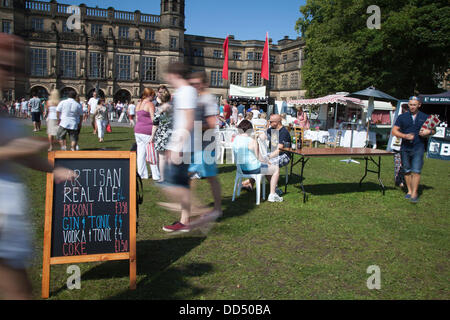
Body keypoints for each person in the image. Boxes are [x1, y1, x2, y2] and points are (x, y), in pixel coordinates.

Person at [0, 32, 76, 300]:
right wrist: (27, 146)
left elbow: (17, 153)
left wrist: (54, 170)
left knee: (20, 291)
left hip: (6, 216)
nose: (10, 74)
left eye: (14, 67)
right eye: (5, 67)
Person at [159, 62, 197, 233]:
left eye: (168, 75)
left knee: (177, 184)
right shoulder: (183, 92)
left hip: (184, 146)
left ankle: (188, 217)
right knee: (181, 183)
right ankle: (185, 220)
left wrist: (178, 146)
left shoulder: (187, 91)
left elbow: (189, 120)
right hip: (181, 144)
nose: (167, 79)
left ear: (175, 75)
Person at [188, 71, 222, 217]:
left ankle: (217, 209)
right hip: (197, 144)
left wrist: (192, 126)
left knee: (210, 177)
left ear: (204, 83)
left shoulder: (208, 99)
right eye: (192, 83)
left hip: (206, 145)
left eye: (197, 83)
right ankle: (191, 207)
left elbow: (212, 124)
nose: (194, 86)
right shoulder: (197, 98)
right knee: (189, 176)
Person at [391, 96, 436, 203]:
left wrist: (428, 132)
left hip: (418, 147)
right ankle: (409, 191)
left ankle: (415, 193)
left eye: (414, 105)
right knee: (406, 170)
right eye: (410, 105)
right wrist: (404, 136)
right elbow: (394, 131)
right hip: (405, 148)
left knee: (416, 171)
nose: (412, 107)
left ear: (419, 105)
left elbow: (434, 130)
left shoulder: (425, 117)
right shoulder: (402, 117)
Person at [232, 120, 283, 202]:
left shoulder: (235, 140)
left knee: (267, 167)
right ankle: (272, 194)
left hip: (241, 169)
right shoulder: (252, 141)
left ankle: (249, 184)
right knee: (275, 168)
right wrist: (267, 162)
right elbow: (260, 158)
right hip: (254, 169)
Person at [134, 88, 160, 180]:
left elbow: (137, 118)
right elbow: (154, 119)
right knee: (152, 153)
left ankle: (142, 173)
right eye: (153, 95)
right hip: (147, 131)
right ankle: (156, 174)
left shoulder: (138, 104)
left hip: (138, 130)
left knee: (141, 154)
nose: (154, 97)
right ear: (150, 95)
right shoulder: (150, 104)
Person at [153, 88, 173, 182]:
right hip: (172, 133)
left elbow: (155, 123)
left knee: (161, 158)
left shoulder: (159, 109)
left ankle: (163, 177)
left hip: (161, 134)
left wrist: (152, 136)